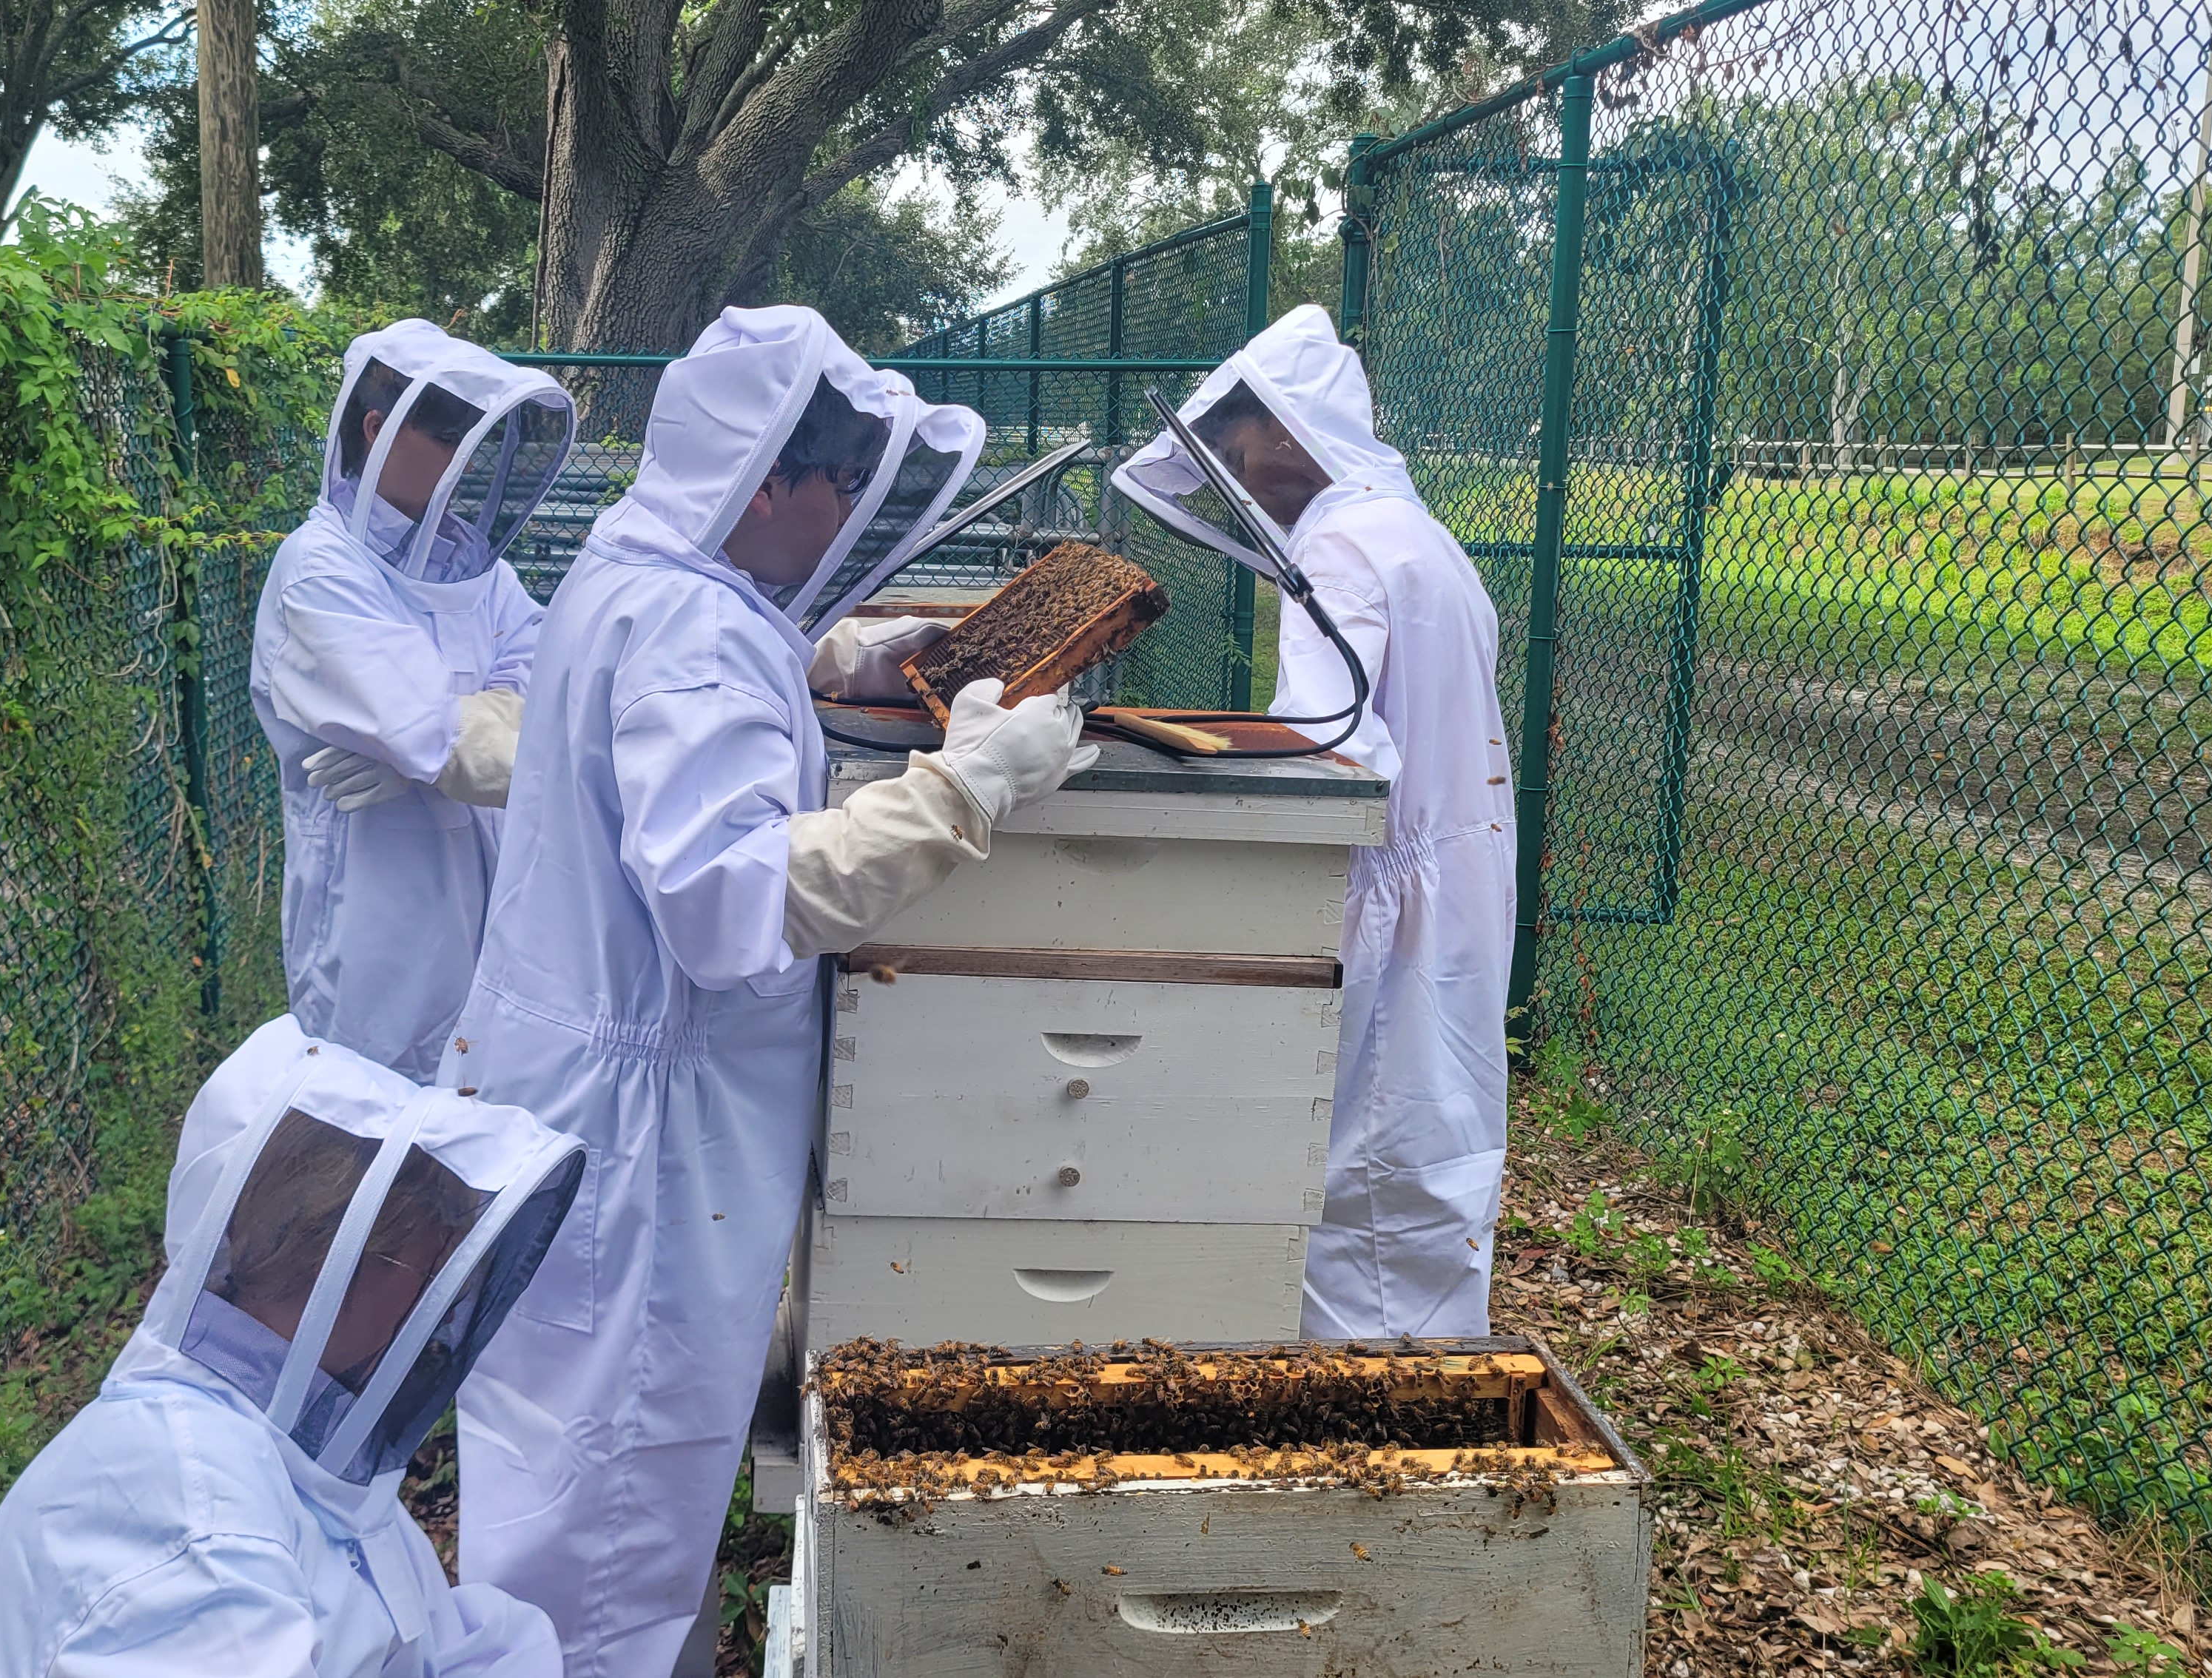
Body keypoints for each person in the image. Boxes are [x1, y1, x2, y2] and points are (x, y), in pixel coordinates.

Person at [442, 306, 1094, 1677]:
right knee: (618, 1487)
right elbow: (735, 905)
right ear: (764, 479)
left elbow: (691, 674)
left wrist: (845, 654)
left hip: (580, 1085)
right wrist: (967, 783)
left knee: (575, 1464)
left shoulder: (632, 565)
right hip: (648, 1141)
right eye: (840, 482)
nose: (851, 507)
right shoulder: (689, 631)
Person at [0, 1015, 586, 1675]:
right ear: (341, 1261)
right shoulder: (188, 1512)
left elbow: (435, 1644)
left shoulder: (290, 1452)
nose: (435, 1309)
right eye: (430, 1273)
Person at [1115, 302, 1516, 1340]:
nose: (1229, 471)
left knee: (1359, 1156)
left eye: (1236, 442)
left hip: (1389, 892)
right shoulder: (1418, 538)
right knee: (1436, 1132)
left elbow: (1327, 761)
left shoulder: (1339, 552)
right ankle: (1423, 1369)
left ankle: (1370, 1413)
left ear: (1288, 426)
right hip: (1461, 874)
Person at [250, 320, 576, 1082]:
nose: (464, 467)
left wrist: (439, 747)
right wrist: (447, 740)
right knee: (365, 1110)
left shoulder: (470, 563)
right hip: (373, 904)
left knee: (477, 1101)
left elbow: (545, 669)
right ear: (379, 431)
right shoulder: (319, 572)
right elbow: (423, 726)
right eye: (450, 444)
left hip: (486, 884)